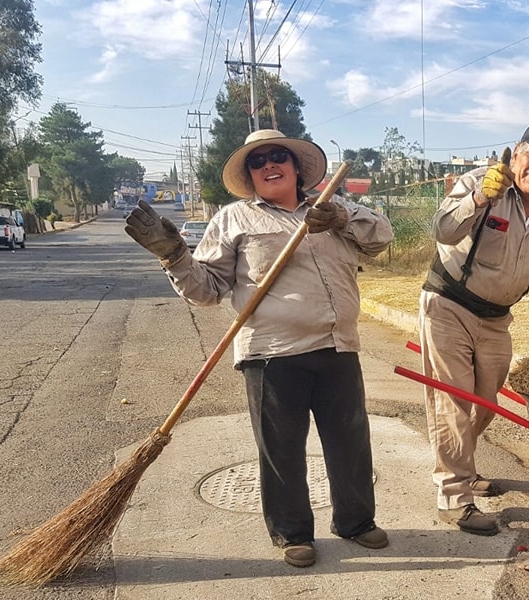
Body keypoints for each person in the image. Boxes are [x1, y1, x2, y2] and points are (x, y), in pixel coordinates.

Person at [125, 129, 392, 568]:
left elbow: (381, 238)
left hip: (338, 346)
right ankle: (292, 533)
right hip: (272, 353)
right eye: (258, 160)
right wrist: (173, 255)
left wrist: (341, 220)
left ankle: (356, 522)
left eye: (278, 156)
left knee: (351, 442)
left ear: (296, 166)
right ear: (249, 176)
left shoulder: (332, 208)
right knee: (281, 449)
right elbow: (208, 290)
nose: (269, 164)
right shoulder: (234, 220)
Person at [421, 120, 529, 536]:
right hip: (449, 306)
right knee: (454, 402)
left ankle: (461, 465)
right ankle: (455, 496)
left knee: (485, 402)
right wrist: (480, 198)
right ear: (516, 153)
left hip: (497, 318)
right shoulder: (481, 182)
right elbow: (443, 229)